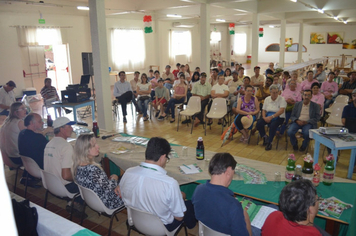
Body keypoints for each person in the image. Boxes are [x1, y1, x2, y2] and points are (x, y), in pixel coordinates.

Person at [119, 137, 196, 232]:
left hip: (135, 221)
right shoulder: (170, 183)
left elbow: (123, 196)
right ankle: (191, 225)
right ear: (163, 157)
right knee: (190, 205)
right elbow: (179, 217)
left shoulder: (128, 173)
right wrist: (180, 200)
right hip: (161, 228)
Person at [192, 153, 251, 236]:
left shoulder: (198, 189)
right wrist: (246, 219)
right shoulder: (233, 206)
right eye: (233, 173)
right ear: (228, 172)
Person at [43, 117, 84, 215]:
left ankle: (73, 202)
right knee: (86, 180)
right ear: (61, 129)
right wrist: (79, 178)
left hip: (50, 184)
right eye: (69, 126)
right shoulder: (66, 147)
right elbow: (66, 176)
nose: (72, 129)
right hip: (64, 187)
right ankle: (75, 203)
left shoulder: (49, 144)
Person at [74, 134, 125, 210]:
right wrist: (114, 179)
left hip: (93, 201)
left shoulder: (77, 166)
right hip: (108, 202)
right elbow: (108, 188)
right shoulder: (93, 169)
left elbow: (102, 185)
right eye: (94, 145)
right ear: (86, 150)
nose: (98, 146)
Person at [18, 113, 51, 187]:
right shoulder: (38, 138)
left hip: (28, 166)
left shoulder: (22, 133)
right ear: (32, 123)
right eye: (40, 121)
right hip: (40, 167)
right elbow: (51, 149)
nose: (42, 123)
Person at [0, 102, 26, 178]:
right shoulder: (19, 123)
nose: (25, 110)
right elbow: (30, 137)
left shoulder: (6, 122)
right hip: (17, 158)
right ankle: (31, 176)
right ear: (16, 112)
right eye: (22, 109)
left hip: (7, 157)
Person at [256, 84, 287, 150]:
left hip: (279, 117)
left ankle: (269, 142)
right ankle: (264, 137)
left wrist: (271, 117)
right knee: (259, 123)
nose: (275, 94)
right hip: (268, 116)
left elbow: (281, 111)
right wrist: (264, 117)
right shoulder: (267, 99)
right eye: (273, 92)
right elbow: (263, 110)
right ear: (270, 92)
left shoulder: (282, 99)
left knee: (273, 125)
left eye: (276, 92)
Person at [341, 89, 356, 173]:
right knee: (331, 138)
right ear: (352, 97)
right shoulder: (347, 107)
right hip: (347, 130)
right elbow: (343, 121)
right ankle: (333, 158)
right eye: (354, 95)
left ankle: (354, 165)